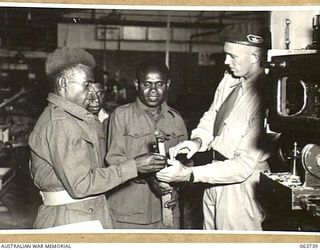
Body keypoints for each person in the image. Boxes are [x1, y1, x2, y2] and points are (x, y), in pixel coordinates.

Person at [28, 47, 166, 229]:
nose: (92, 91)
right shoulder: (61, 123)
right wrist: (134, 166)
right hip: (72, 219)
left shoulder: (77, 119)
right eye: (87, 84)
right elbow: (81, 184)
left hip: (86, 212)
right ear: (63, 83)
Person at [157, 21, 272, 230]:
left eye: (233, 56)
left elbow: (243, 166)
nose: (226, 61)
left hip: (240, 187)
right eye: (226, 54)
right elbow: (212, 115)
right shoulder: (229, 79)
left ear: (255, 57)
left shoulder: (267, 96)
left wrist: (189, 174)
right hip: (213, 176)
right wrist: (197, 141)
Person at [106, 60, 188, 229]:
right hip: (128, 214)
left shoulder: (176, 119)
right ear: (137, 84)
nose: (153, 90)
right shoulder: (121, 116)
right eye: (147, 84)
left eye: (159, 84)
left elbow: (186, 163)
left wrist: (176, 187)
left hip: (167, 212)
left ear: (168, 84)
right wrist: (150, 179)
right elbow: (114, 160)